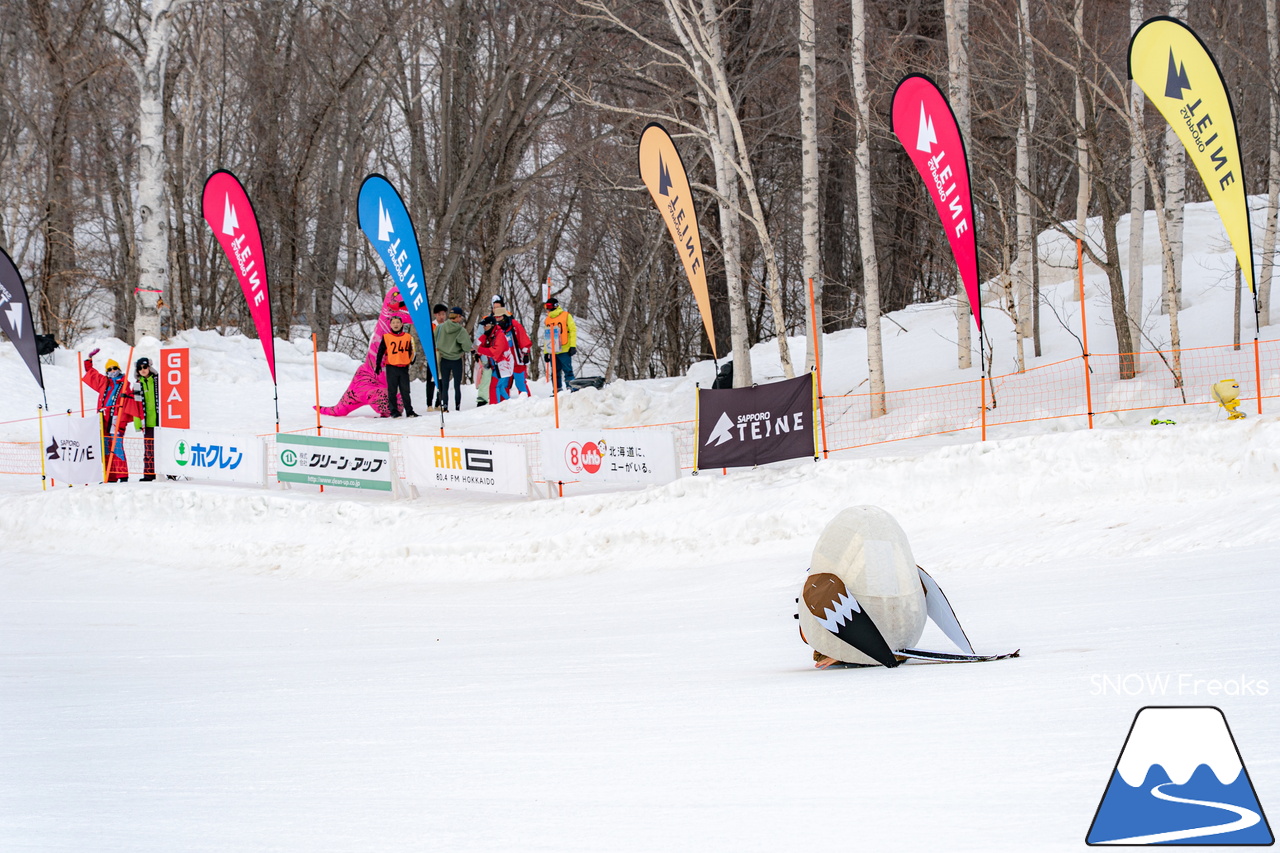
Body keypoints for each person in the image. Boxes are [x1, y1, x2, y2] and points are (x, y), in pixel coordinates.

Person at [82, 349, 144, 483]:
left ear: (119, 369)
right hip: (103, 419)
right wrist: (88, 359)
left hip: (117, 419)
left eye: (114, 368)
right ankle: (109, 476)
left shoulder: (124, 383)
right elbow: (91, 373)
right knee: (104, 446)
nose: (112, 371)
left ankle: (122, 475)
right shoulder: (104, 382)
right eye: (109, 369)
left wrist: (124, 419)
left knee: (116, 446)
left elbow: (130, 400)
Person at [376, 316, 418, 417]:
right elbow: (380, 351)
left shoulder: (408, 337)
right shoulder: (386, 337)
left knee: (405, 390)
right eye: (393, 323)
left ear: (401, 324)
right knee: (392, 390)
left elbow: (413, 351)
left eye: (398, 322)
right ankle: (394, 411)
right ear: (390, 325)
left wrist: (411, 361)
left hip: (403, 367)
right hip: (391, 366)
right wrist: (378, 364)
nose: (396, 324)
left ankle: (409, 411)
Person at [492, 295, 532, 396]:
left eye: (500, 317)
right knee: (504, 384)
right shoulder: (495, 328)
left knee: (520, 383)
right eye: (496, 318)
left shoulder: (514, 325)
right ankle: (504, 404)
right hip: (504, 361)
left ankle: (527, 402)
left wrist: (526, 353)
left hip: (517, 359)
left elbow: (523, 338)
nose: (498, 320)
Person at [435, 307, 473, 412]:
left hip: (444, 359)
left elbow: (434, 340)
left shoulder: (440, 328)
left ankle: (445, 405)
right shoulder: (461, 330)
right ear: (458, 317)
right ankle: (457, 407)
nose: (460, 319)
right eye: (460, 317)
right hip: (456, 360)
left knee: (445, 384)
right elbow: (466, 347)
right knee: (457, 385)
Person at [132, 357, 160, 481]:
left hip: (160, 420)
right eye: (140, 368)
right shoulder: (137, 385)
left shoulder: (157, 381)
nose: (143, 370)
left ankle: (168, 473)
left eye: (144, 367)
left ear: (149, 367)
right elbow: (135, 406)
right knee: (149, 448)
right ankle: (149, 474)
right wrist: (138, 423)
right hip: (147, 422)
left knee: (163, 446)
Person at [476, 315, 515, 402]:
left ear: (491, 325)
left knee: (494, 386)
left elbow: (494, 352)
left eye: (485, 325)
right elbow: (477, 343)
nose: (484, 327)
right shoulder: (490, 334)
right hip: (498, 365)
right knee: (500, 387)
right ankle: (511, 404)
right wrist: (476, 349)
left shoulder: (499, 335)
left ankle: (494, 407)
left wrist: (478, 349)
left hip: (504, 365)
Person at [543, 296, 578, 391]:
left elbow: (573, 330)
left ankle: (572, 388)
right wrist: (546, 352)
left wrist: (572, 346)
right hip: (553, 350)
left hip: (565, 348)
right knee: (554, 372)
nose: (548, 308)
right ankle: (557, 390)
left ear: (555, 305)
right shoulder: (547, 319)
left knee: (568, 370)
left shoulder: (565, 315)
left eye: (549, 306)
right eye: (546, 306)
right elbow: (547, 336)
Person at [426, 303, 448, 410]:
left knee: (442, 379)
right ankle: (429, 403)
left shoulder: (447, 325)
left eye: (444, 314)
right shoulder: (431, 326)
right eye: (440, 314)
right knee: (431, 379)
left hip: (444, 354)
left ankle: (439, 402)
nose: (442, 317)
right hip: (433, 354)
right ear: (435, 315)